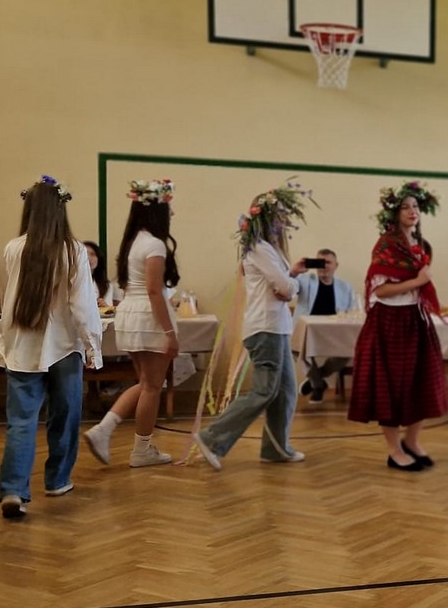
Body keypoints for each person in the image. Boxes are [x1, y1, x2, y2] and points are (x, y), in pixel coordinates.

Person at [0, 175, 102, 518]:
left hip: (22, 345)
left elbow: (7, 299)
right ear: (60, 210)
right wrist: (93, 347)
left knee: (21, 421)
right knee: (65, 416)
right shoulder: (73, 250)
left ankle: (13, 490)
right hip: (64, 346)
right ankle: (57, 480)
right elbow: (82, 305)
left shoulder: (14, 248)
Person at [191, 182, 310, 469]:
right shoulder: (259, 248)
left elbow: (283, 287)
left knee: (286, 391)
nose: (284, 222)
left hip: (276, 328)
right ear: (268, 218)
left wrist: (289, 281)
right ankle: (211, 438)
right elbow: (284, 288)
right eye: (281, 216)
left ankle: (275, 448)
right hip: (266, 329)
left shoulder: (267, 249)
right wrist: (291, 283)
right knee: (264, 391)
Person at [347, 181, 448, 471]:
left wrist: (418, 285)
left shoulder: (422, 245)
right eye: (405, 207)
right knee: (389, 386)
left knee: (421, 382)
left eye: (415, 206)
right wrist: (417, 282)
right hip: (389, 321)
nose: (412, 211)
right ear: (394, 213)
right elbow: (380, 290)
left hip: (415, 319)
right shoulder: (386, 245)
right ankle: (394, 450)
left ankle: (412, 441)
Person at [83, 180, 181, 468]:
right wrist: (170, 332)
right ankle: (140, 449)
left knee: (146, 383)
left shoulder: (133, 242)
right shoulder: (155, 244)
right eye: (168, 208)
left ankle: (105, 430)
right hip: (148, 317)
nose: (171, 213)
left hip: (131, 314)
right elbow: (154, 291)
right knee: (152, 387)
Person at [291, 247, 358, 403]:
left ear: (336, 265)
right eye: (320, 262)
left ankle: (316, 379)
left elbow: (352, 312)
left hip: (334, 333)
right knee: (295, 348)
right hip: (307, 332)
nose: (323, 266)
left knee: (349, 349)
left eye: (327, 262)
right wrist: (295, 271)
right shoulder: (305, 280)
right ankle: (318, 385)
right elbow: (286, 286)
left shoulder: (345, 287)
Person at [83, 240, 121, 308]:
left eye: (92, 254)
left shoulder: (106, 286)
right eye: (84, 254)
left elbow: (109, 310)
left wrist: (104, 306)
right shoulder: (70, 282)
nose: (88, 258)